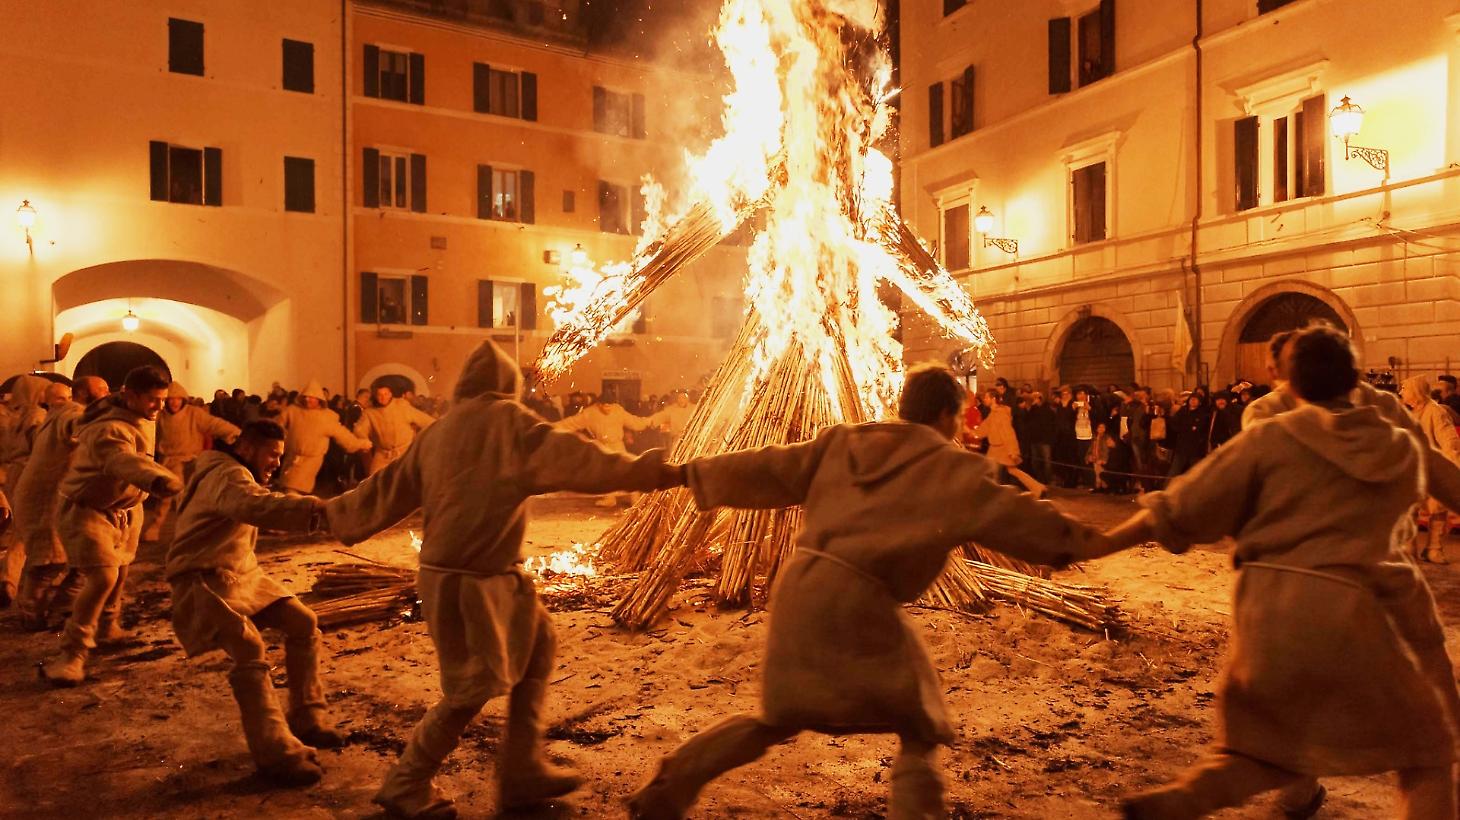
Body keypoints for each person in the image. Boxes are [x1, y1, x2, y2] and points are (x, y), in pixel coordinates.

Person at [629, 364, 1104, 820]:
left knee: (778, 718)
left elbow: (768, 467)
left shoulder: (844, 442)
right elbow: (1017, 519)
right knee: (921, 723)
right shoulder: (951, 468)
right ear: (945, 415)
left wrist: (684, 472)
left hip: (802, 588)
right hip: (859, 601)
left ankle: (669, 788)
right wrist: (1108, 537)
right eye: (958, 416)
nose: (960, 425)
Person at [1109, 325, 1460, 819]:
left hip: (1274, 597)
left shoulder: (1266, 420)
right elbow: (1438, 474)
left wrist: (1104, 540)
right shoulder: (1388, 423)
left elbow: (1204, 498)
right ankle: (1290, 794)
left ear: (1285, 376)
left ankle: (1240, 794)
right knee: (1431, 744)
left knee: (1276, 730)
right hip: (1375, 592)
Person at [324, 340, 684, 818]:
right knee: (472, 688)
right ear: (507, 387)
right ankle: (406, 783)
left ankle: (521, 767)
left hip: (474, 578)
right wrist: (650, 470)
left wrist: (333, 516)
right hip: (472, 584)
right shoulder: (510, 424)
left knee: (538, 645)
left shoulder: (438, 431)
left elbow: (386, 490)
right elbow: (580, 460)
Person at [167, 420, 342, 785]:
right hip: (202, 579)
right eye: (272, 455)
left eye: (280, 457)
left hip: (240, 574)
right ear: (246, 448)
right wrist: (317, 511)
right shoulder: (227, 477)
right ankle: (275, 753)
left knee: (302, 622)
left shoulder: (232, 471)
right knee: (248, 649)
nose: (276, 463)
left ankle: (308, 716)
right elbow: (252, 504)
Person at [42, 366, 182, 686]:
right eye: (152, 399)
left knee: (120, 572)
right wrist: (156, 478)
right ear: (129, 394)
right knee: (103, 575)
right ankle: (71, 654)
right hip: (89, 509)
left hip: (127, 509)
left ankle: (108, 625)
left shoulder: (142, 417)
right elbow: (121, 460)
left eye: (163, 399)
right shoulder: (108, 429)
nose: (159, 406)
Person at [11, 376, 110, 630]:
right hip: (45, 498)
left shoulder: (58, 414)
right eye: (101, 391)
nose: (107, 394)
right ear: (82, 394)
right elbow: (80, 428)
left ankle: (62, 607)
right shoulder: (73, 414)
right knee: (48, 561)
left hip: (53, 495)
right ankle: (31, 614)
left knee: (80, 557)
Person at [144, 382, 241, 542]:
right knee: (165, 498)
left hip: (191, 461)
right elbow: (148, 431)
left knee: (192, 498)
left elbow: (213, 424)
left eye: (178, 399)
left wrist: (235, 433)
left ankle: (192, 530)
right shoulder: (160, 416)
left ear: (183, 399)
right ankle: (155, 529)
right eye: (171, 399)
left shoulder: (194, 414)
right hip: (169, 461)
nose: (174, 402)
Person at [0, 374, 51, 607]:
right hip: (30, 473)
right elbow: (41, 451)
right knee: (28, 530)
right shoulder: (38, 417)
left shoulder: (9, 417)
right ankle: (10, 581)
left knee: (19, 528)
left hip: (10, 473)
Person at [1401, 375, 1460, 564]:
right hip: (1412, 470)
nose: (1401, 392)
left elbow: (1450, 442)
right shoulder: (1409, 412)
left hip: (1432, 470)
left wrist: (1454, 466)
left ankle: (1434, 548)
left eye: (1405, 388)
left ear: (1416, 391)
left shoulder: (1436, 412)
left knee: (1437, 509)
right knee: (1409, 507)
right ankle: (1408, 548)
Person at [557, 394, 655, 506]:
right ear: (599, 404)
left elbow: (634, 422)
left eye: (610, 405)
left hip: (617, 446)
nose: (607, 408)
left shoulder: (618, 411)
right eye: (605, 405)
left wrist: (648, 421)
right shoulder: (590, 413)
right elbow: (571, 422)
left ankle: (636, 500)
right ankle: (609, 499)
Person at [277, 380, 372, 494]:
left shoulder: (327, 417)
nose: (307, 399)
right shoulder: (292, 411)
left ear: (319, 399)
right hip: (290, 458)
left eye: (311, 397)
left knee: (292, 490)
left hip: (310, 460)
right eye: (306, 396)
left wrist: (362, 444)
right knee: (288, 491)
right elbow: (277, 426)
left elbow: (345, 438)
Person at [972, 389, 1046, 498]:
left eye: (987, 397)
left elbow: (1008, 433)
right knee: (1011, 470)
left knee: (991, 471)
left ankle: (992, 495)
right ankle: (1038, 488)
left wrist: (1013, 451)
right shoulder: (994, 413)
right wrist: (971, 433)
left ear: (993, 399)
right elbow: (984, 428)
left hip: (1001, 448)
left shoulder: (1001, 413)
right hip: (995, 448)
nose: (985, 399)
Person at [355, 385, 436, 476]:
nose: (383, 397)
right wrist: (364, 440)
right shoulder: (370, 413)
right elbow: (360, 429)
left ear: (390, 394)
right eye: (380, 395)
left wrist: (438, 430)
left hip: (404, 453)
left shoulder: (402, 407)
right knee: (374, 480)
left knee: (408, 480)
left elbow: (425, 420)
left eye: (386, 394)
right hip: (383, 454)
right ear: (376, 396)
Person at [1167, 395, 1210, 478]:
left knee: (1196, 472)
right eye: (1191, 399)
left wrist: (1190, 428)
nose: (1193, 401)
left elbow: (1201, 428)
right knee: (1174, 470)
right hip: (1182, 447)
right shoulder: (1183, 411)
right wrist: (1188, 428)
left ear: (1200, 402)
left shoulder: (1202, 414)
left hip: (1195, 449)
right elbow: (1174, 424)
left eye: (1195, 399)